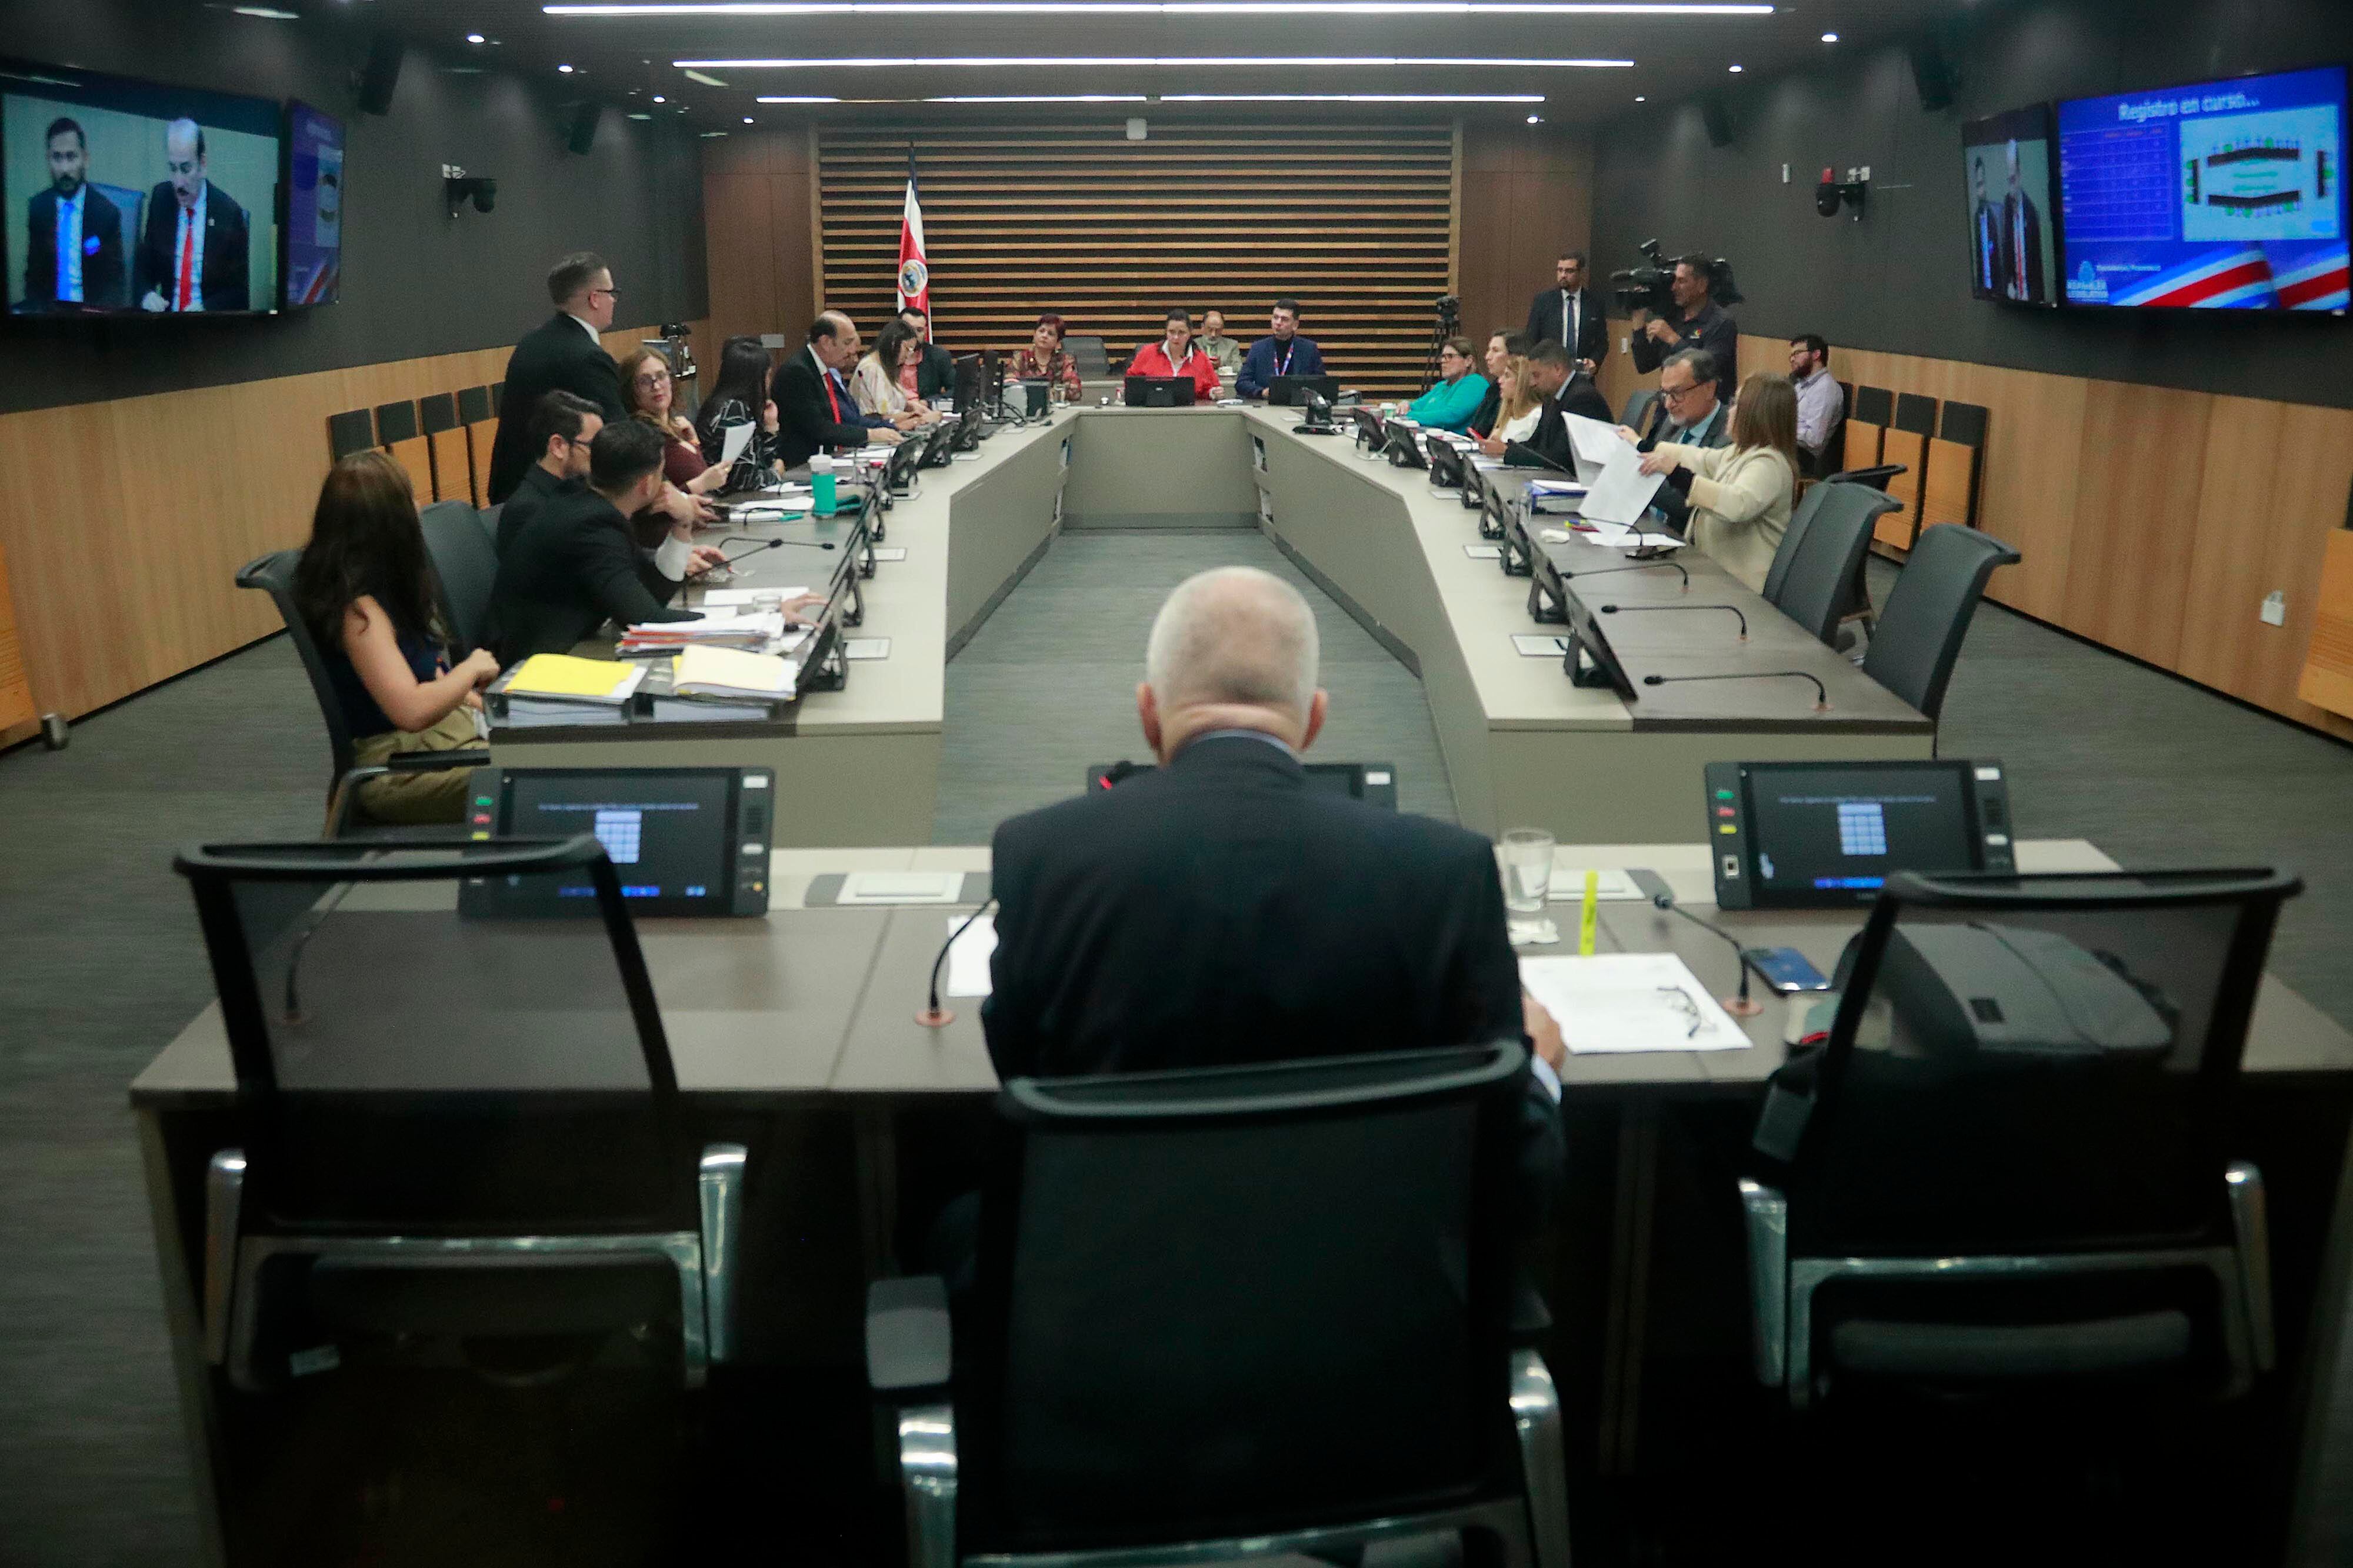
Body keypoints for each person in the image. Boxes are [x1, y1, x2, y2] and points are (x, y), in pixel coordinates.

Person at [982, 565, 1567, 1222]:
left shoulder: (1040, 856)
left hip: (1106, 1293)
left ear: (1149, 714)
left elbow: (1018, 1072)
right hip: (1371, 1301)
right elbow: (1520, 1170)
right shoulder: (1445, 873)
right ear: (1314, 720)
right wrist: (1538, 1068)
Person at [290, 452, 499, 825]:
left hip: (435, 745)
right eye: (409, 501)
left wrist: (497, 714)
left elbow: (430, 677)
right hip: (397, 773)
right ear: (389, 525)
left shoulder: (384, 588)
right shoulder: (358, 613)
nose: (418, 509)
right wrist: (469, 671)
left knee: (546, 753)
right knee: (534, 778)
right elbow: (412, 711)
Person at [489, 421, 730, 664]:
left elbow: (651, 595)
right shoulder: (594, 527)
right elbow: (644, 621)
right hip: (536, 668)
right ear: (646, 484)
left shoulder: (582, 500)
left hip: (568, 647)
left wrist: (683, 525)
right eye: (661, 475)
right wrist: (731, 627)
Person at [1624, 372, 1798, 593]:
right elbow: (1699, 458)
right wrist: (1642, 446)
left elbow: (1736, 504)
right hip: (1714, 574)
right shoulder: (1739, 453)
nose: (1730, 410)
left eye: (1736, 404)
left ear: (1754, 415)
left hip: (1741, 588)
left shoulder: (1770, 464)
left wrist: (1676, 473)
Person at [486, 251, 629, 503]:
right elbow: (617, 438)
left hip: (514, 492)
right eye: (612, 293)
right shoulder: (589, 357)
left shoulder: (530, 343)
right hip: (560, 501)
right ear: (595, 298)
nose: (614, 301)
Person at [135, 118, 248, 313]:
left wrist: (206, 309)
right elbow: (144, 267)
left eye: (186, 169)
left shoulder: (229, 214)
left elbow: (239, 293)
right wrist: (147, 295)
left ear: (202, 165)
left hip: (208, 325)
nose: (178, 183)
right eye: (173, 169)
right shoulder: (161, 199)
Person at [771, 311, 905, 469]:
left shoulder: (822, 369)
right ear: (826, 342)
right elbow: (819, 428)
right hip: (801, 467)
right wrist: (870, 435)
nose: (852, 351)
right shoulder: (797, 372)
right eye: (847, 343)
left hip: (824, 461)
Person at [24, 118, 125, 310]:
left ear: (85, 159)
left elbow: (114, 285)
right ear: (48, 159)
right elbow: (33, 280)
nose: (65, 169)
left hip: (92, 317)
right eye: (57, 158)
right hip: (49, 318)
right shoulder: (38, 209)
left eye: (71, 157)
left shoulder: (106, 214)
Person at [1632, 348, 1731, 532]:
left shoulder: (1729, 437)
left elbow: (1697, 505)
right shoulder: (1674, 422)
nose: (1669, 404)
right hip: (1645, 526)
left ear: (1709, 388)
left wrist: (1637, 482)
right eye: (1665, 394)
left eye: (1677, 393)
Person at [496, 391, 602, 556]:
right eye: (593, 444)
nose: (601, 452)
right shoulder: (528, 511)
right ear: (558, 446)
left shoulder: (578, 489)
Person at [619, 346, 734, 497]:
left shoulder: (676, 428)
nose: (656, 386)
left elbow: (695, 471)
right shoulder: (642, 437)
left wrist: (693, 442)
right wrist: (701, 484)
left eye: (661, 376)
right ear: (631, 390)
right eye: (645, 381)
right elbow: (654, 505)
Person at [1488, 343, 1611, 466]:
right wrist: (1505, 447)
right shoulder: (1552, 397)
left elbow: (1562, 457)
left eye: (1536, 375)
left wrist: (1508, 452)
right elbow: (1535, 443)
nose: (1532, 383)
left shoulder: (1582, 398)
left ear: (1557, 369)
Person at [1629, 253, 1737, 389]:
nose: (1674, 287)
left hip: (1706, 405)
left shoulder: (1721, 323)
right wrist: (1639, 323)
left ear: (1702, 285)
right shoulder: (1673, 319)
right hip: (1672, 402)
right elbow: (1644, 365)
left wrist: (1673, 339)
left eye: (1682, 281)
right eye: (1674, 281)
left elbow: (1709, 369)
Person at [695, 334, 785, 481]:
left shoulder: (726, 404)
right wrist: (776, 473)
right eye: (767, 375)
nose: (769, 381)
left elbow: (761, 464)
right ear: (755, 379)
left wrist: (771, 429)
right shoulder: (733, 411)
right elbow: (744, 479)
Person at [849, 316, 940, 429]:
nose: (908, 356)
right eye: (907, 349)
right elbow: (883, 415)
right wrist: (919, 418)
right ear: (893, 343)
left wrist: (910, 406)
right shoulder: (871, 368)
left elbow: (892, 403)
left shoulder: (886, 367)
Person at [1525, 252, 1605, 375]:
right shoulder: (1543, 301)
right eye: (1560, 270)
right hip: (1550, 371)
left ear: (1581, 273)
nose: (1563, 275)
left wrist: (1594, 361)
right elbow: (1531, 338)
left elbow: (1602, 342)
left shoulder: (1594, 303)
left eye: (1569, 271)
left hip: (1582, 373)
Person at [1235, 298, 1325, 401]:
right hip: (1266, 406)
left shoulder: (1309, 349)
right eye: (1275, 318)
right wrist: (1262, 392)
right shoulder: (1258, 348)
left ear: (1295, 325)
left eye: (1284, 319)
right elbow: (1242, 383)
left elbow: (1322, 384)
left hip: (1299, 406)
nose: (1278, 323)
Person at [1125, 307, 1221, 399]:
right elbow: (1130, 383)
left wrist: (1213, 393)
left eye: (1181, 332)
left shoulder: (1201, 359)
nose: (1176, 337)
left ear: (1190, 333)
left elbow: (1211, 389)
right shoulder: (1148, 353)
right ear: (1166, 332)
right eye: (1172, 332)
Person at [1403, 336, 1489, 433]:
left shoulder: (1475, 383)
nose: (1443, 361)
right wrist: (1405, 405)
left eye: (1450, 356)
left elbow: (1451, 416)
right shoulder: (1443, 385)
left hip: (1454, 445)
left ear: (1468, 361)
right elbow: (1416, 406)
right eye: (1443, 357)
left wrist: (1408, 416)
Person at [1787, 333, 1844, 472]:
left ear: (1816, 354)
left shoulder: (1826, 388)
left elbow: (1815, 439)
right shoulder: (1800, 385)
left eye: (1797, 353)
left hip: (1803, 457)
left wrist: (1782, 431)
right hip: (1788, 447)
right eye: (1791, 356)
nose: (1793, 359)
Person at [2000, 139, 2045, 303]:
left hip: (2031, 297)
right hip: (2013, 296)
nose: (2010, 189)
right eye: (2008, 181)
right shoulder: (2006, 206)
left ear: (2019, 176)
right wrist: (2009, 283)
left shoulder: (2031, 213)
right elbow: (2006, 251)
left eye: (2013, 180)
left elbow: (2037, 266)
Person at [1467, 329, 1529, 439]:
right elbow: (1477, 429)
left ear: (1513, 356)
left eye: (1495, 351)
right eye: (1489, 350)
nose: (1487, 357)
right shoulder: (1493, 389)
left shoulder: (1521, 396)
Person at [1011, 312, 1084, 403]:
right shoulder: (1020, 359)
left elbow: (1075, 392)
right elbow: (1010, 387)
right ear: (1034, 335)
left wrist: (1039, 393)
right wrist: (1053, 392)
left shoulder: (1066, 361)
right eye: (1041, 331)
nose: (1045, 336)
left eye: (1051, 334)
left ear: (1058, 342)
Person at [898, 306, 957, 399]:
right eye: (909, 329)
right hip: (893, 411)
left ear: (925, 331)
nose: (914, 334)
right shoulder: (883, 356)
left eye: (919, 330)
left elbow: (956, 389)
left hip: (925, 410)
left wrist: (928, 402)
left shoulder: (938, 356)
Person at [1490, 355, 1545, 446]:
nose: (1500, 381)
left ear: (1521, 382)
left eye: (1507, 376)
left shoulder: (1536, 416)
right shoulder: (1508, 416)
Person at [1971, 155, 2000, 296]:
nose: (1980, 191)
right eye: (1977, 186)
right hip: (1985, 291)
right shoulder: (1977, 217)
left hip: (1999, 288)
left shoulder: (1995, 214)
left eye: (1982, 184)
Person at [1195, 308, 1243, 379]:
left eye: (1218, 330)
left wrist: (1221, 367)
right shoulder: (1194, 345)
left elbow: (1239, 368)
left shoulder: (1232, 345)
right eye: (1210, 330)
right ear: (1203, 327)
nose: (1213, 334)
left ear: (1222, 329)